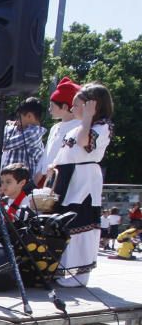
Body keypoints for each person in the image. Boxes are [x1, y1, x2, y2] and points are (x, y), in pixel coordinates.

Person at [49, 83, 114, 286]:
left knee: (81, 223)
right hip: (66, 178)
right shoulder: (78, 127)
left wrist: (87, 117)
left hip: (83, 179)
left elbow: (84, 143)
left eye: (77, 105)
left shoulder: (101, 126)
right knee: (62, 223)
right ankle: (60, 268)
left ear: (91, 106)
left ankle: (79, 273)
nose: (73, 108)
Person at [41, 77, 81, 187]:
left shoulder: (80, 126)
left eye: (52, 106)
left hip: (67, 179)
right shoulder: (54, 127)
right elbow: (46, 157)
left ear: (64, 106)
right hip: (48, 179)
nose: (49, 110)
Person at [0, 97, 46, 183]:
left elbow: (6, 144)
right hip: (13, 181)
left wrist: (8, 127)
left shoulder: (34, 132)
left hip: (23, 183)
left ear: (29, 116)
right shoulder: (22, 131)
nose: (17, 120)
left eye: (19, 117)